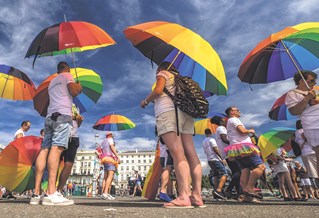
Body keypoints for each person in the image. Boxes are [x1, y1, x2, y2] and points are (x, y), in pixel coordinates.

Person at [140, 61, 204, 208]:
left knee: (177, 153)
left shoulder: (163, 74)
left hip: (169, 113)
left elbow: (158, 91)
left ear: (161, 68)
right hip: (186, 115)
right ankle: (197, 196)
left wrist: (145, 101)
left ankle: (183, 197)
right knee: (192, 154)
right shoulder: (181, 79)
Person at [30, 62, 82, 206]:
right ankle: (52, 192)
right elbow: (73, 91)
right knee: (57, 148)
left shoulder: (52, 82)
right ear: (67, 69)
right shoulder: (67, 75)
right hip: (62, 116)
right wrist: (78, 87)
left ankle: (36, 193)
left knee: (44, 148)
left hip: (49, 117)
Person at [224, 106, 266, 203]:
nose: (239, 111)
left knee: (245, 170)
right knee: (261, 167)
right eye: (237, 110)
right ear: (232, 112)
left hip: (235, 148)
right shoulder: (234, 120)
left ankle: (247, 196)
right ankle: (249, 188)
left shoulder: (229, 122)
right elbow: (242, 131)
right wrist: (251, 131)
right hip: (244, 147)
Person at [285, 71, 319, 175]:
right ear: (301, 81)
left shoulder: (314, 92)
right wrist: (307, 98)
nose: (315, 83)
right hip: (313, 125)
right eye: (312, 81)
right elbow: (294, 111)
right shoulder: (292, 94)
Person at [211, 116, 242, 198]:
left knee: (236, 171)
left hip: (226, 152)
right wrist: (235, 143)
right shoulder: (221, 128)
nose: (226, 122)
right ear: (221, 121)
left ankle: (239, 193)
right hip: (229, 152)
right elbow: (224, 139)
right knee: (239, 171)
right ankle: (229, 189)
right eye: (224, 120)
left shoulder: (219, 129)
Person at [57, 104, 84, 194]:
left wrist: (79, 120)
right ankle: (49, 188)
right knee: (55, 162)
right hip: (62, 134)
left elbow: (77, 125)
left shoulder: (76, 107)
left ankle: (59, 190)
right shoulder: (62, 101)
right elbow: (56, 117)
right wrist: (70, 117)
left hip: (74, 136)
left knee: (69, 163)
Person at [295, 120, 319, 198]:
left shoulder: (296, 133)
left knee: (314, 173)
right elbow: (305, 136)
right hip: (311, 152)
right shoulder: (303, 131)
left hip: (305, 153)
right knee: (316, 172)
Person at [202, 128, 227, 200]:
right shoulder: (212, 140)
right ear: (211, 133)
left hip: (209, 160)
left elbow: (205, 152)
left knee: (215, 175)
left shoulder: (203, 141)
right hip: (215, 159)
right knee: (224, 173)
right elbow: (215, 148)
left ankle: (216, 191)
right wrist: (222, 158)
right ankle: (219, 190)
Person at [99, 131, 120, 200]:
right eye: (112, 135)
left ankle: (104, 193)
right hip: (110, 159)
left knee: (105, 177)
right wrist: (117, 156)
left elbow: (101, 151)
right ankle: (105, 193)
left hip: (104, 159)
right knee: (110, 176)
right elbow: (112, 147)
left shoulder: (103, 142)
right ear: (110, 135)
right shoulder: (110, 140)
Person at [158, 136, 174, 202]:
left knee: (169, 175)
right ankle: (163, 192)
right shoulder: (164, 134)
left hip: (163, 155)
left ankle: (169, 193)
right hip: (166, 154)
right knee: (168, 169)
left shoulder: (160, 135)